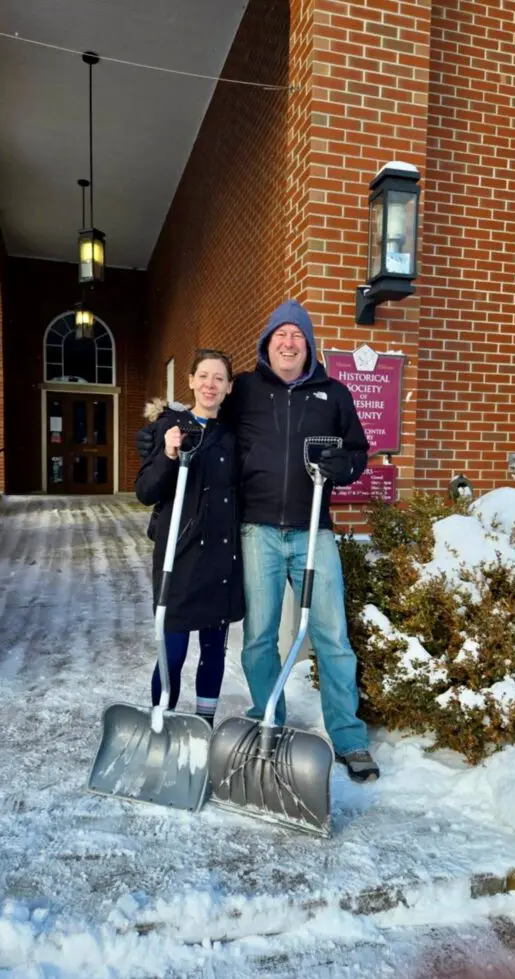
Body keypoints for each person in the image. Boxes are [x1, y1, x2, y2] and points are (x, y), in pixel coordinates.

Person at [138, 302, 379, 782]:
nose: (288, 342)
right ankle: (271, 714)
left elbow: (356, 451)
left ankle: (349, 739)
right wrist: (155, 433)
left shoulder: (333, 394)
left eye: (297, 335)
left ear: (308, 345)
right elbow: (199, 409)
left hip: (314, 531)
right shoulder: (245, 389)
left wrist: (344, 468)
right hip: (257, 531)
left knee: (332, 635)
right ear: (266, 344)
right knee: (259, 639)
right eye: (280, 335)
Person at [135, 349, 244, 727]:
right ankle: (160, 723)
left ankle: (203, 727)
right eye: (203, 376)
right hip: (178, 557)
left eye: (219, 378)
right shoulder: (170, 428)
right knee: (173, 650)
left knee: (213, 651)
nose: (210, 384)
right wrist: (167, 453)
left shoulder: (233, 437)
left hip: (221, 555)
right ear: (191, 381)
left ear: (229, 387)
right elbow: (146, 491)